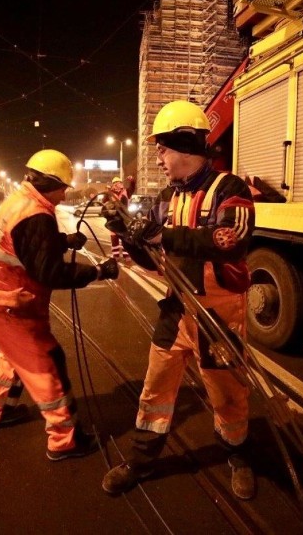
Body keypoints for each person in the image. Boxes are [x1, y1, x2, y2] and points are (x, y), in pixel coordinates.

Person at [100, 100, 257, 499]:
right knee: (155, 389)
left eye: (163, 149)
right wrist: (124, 229)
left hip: (218, 315)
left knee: (227, 394)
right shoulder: (166, 197)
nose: (159, 157)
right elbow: (149, 254)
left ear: (185, 148)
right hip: (177, 308)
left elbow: (228, 240)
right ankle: (140, 461)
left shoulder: (230, 189)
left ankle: (237, 454)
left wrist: (160, 235)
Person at [0, 148, 120, 460]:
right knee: (46, 363)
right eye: (63, 187)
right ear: (50, 183)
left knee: (13, 360)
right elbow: (50, 271)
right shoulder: (35, 214)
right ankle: (65, 440)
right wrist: (99, 271)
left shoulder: (24, 202)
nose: (64, 193)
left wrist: (63, 241)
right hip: (8, 303)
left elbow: (28, 245)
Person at [107, 176, 130, 261]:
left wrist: (132, 181)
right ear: (113, 185)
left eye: (119, 183)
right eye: (116, 183)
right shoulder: (110, 193)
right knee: (114, 239)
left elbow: (132, 187)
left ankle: (126, 256)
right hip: (114, 219)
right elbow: (104, 201)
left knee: (125, 239)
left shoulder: (125, 192)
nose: (118, 184)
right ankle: (116, 256)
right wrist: (108, 191)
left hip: (124, 219)